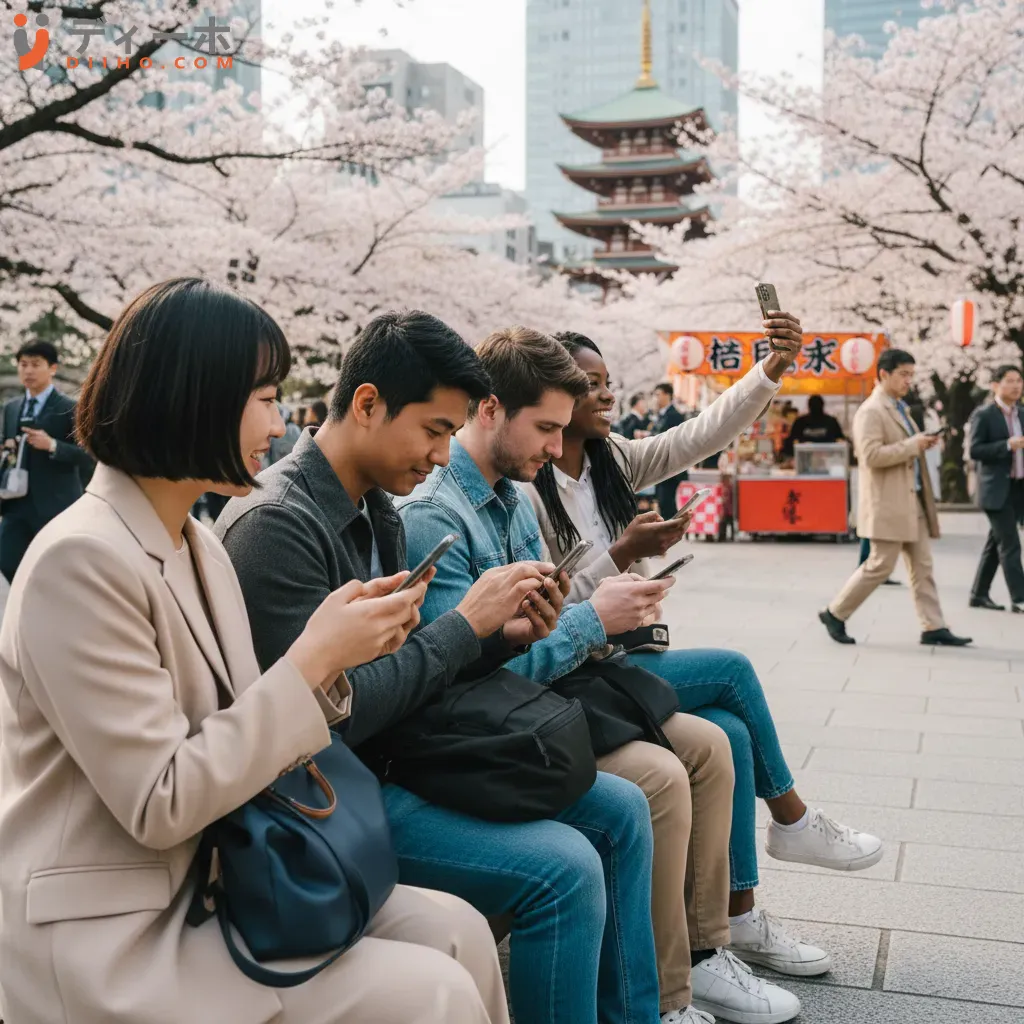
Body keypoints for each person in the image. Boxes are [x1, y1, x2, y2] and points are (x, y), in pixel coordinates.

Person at [0, 279, 509, 1024]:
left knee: (458, 932)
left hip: (215, 882)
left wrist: (337, 656)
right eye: (266, 397)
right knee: (433, 991)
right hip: (115, 934)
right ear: (193, 397)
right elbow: (160, 800)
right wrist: (313, 660)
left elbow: (247, 716)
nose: (281, 425)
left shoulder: (198, 540)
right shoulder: (80, 560)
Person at [216, 310, 661, 1024]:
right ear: (367, 404)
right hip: (331, 796)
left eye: (450, 433)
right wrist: (466, 625)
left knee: (622, 806)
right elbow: (332, 717)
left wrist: (502, 635)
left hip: (400, 754)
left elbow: (404, 666)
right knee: (566, 869)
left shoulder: (380, 508)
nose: (441, 454)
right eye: (433, 430)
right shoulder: (279, 526)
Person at [399, 325, 814, 1024]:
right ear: (491, 407)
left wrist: (582, 612)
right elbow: (466, 668)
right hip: (486, 726)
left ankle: (704, 954)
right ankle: (663, 988)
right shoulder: (438, 513)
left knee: (714, 742)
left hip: (549, 693)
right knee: (658, 772)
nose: (558, 448)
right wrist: (596, 612)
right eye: (548, 428)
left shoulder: (518, 490)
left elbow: (532, 632)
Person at [521, 328, 883, 982]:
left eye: (608, 380)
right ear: (549, 395)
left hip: (617, 655)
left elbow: (699, 434)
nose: (607, 393)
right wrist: (624, 556)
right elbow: (544, 602)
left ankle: (736, 917)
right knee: (734, 672)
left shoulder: (609, 458)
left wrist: (769, 370)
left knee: (733, 731)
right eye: (591, 383)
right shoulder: (526, 481)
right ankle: (792, 821)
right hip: (577, 667)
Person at [820, 349, 972, 647]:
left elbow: (902, 447)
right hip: (887, 503)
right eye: (903, 374)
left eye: (911, 375)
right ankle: (835, 612)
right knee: (879, 565)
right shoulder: (871, 410)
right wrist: (913, 444)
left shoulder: (898, 407)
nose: (908, 381)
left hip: (910, 500)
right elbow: (870, 455)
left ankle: (933, 625)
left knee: (922, 566)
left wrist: (919, 443)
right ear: (883, 374)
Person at [0, 341, 93, 582]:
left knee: (56, 567)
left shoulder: (70, 408)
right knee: (7, 557)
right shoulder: (12, 408)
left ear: (52, 368)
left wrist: (52, 445)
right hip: (16, 502)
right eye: (23, 365)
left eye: (35, 365)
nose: (28, 371)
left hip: (55, 503)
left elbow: (88, 455)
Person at [968, 364, 1024, 613]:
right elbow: (975, 450)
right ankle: (1020, 598)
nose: (1016, 386)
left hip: (1018, 487)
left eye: (1019, 381)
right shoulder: (985, 415)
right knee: (1011, 544)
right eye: (1010, 381)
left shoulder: (1021, 414)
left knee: (997, 543)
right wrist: (1006, 446)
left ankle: (978, 594)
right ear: (995, 386)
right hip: (995, 488)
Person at [650, 382, 687, 516]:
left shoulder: (674, 415)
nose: (656, 398)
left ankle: (671, 533)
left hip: (671, 468)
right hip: (661, 467)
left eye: (658, 395)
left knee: (667, 503)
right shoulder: (661, 415)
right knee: (662, 502)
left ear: (667, 395)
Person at [781, 395, 844, 460]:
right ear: (823, 405)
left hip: (823, 459)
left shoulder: (800, 421)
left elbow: (791, 443)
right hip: (811, 459)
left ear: (808, 406)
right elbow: (841, 441)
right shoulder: (831, 421)